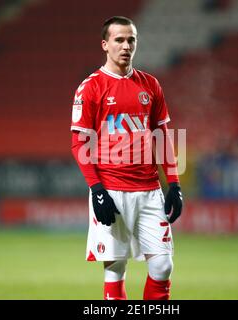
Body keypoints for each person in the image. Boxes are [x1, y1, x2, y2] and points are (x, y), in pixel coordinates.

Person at [70, 16, 183, 300]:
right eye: (119, 40)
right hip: (111, 189)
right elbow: (79, 143)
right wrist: (96, 190)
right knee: (115, 267)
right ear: (105, 45)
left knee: (162, 265)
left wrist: (174, 183)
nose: (126, 46)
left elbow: (162, 135)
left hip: (148, 191)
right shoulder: (91, 87)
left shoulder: (150, 85)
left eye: (131, 39)